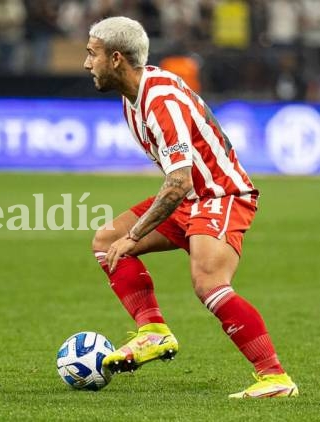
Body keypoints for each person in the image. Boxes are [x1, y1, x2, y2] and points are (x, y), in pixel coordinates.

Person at [83, 17, 297, 398]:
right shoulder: (131, 98)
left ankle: (275, 377)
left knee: (209, 284)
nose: (87, 63)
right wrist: (129, 236)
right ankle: (152, 332)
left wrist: (136, 236)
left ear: (116, 58)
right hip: (191, 198)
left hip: (220, 195)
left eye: (92, 54)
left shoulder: (159, 100)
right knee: (106, 241)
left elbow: (179, 181)